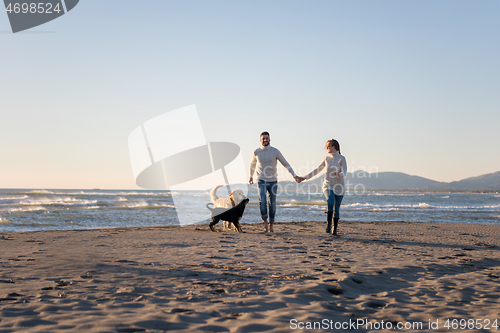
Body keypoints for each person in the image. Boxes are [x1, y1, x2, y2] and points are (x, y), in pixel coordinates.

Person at [249, 131, 299, 233]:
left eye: (267, 138)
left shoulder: (275, 151)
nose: (265, 140)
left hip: (272, 181)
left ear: (269, 139)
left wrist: (294, 175)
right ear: (260, 140)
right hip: (261, 179)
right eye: (263, 138)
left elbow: (285, 163)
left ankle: (271, 224)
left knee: (272, 204)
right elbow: (252, 165)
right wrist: (250, 176)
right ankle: (265, 223)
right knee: (262, 201)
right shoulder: (256, 152)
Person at [297, 139, 347, 235]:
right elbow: (317, 170)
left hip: (339, 187)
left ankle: (334, 229)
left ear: (335, 146)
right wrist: (305, 177)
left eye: (329, 146)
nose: (327, 148)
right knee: (330, 201)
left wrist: (339, 174)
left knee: (336, 208)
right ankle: (329, 224)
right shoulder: (326, 159)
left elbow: (345, 172)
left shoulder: (342, 158)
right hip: (328, 184)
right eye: (326, 146)